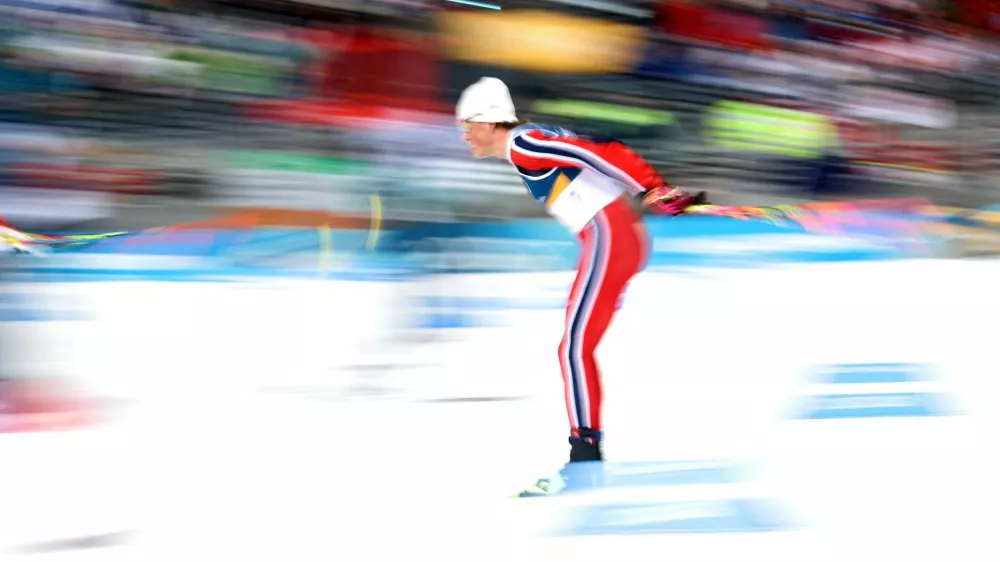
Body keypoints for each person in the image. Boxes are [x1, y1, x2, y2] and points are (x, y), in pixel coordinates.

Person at [455, 77, 703, 497]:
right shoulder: (531, 140)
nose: (465, 135)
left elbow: (594, 151)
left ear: (490, 121)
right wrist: (649, 187)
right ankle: (586, 455)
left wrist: (653, 187)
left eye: (469, 125)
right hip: (613, 235)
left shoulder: (524, 143)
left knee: (574, 348)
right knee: (576, 347)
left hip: (609, 233)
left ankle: (585, 460)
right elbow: (600, 147)